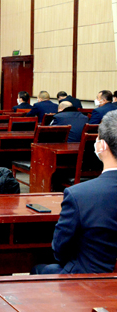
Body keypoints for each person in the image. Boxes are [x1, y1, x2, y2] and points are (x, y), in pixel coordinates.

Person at [32, 111, 117, 275]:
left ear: (102, 145)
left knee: (39, 270)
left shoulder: (80, 195)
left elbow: (60, 249)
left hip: (89, 283)